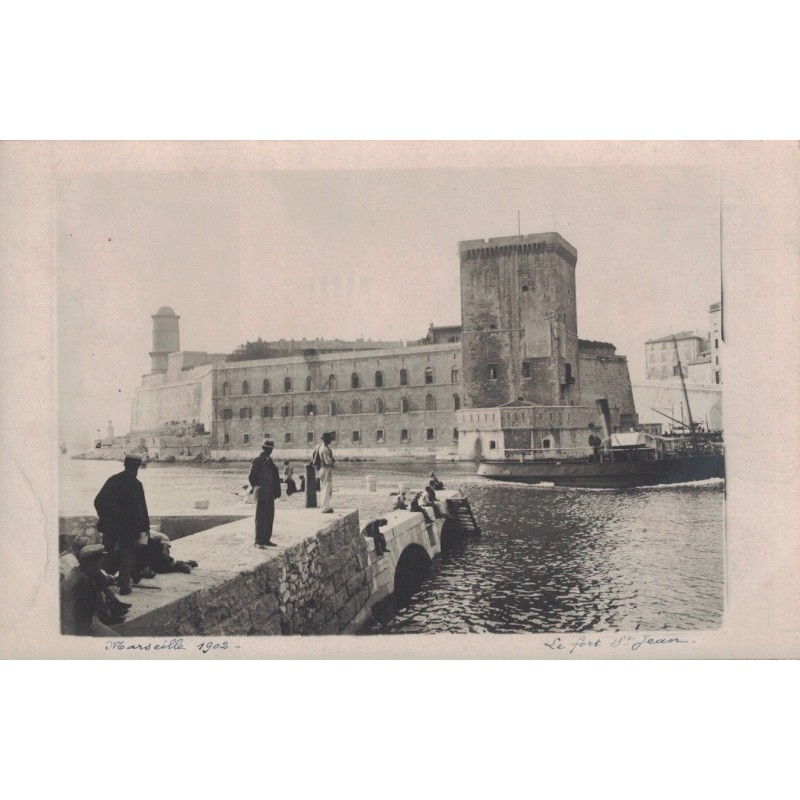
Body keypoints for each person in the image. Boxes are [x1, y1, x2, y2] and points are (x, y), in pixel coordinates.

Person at [94, 453, 151, 596]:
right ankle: (124, 586)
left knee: (106, 554)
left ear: (125, 464)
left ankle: (103, 585)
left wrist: (105, 518)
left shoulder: (113, 480)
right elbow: (142, 509)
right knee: (127, 555)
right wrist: (145, 528)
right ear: (137, 467)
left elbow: (98, 501)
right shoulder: (136, 485)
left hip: (111, 527)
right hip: (129, 528)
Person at [61, 544, 118, 636]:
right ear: (88, 563)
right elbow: (78, 619)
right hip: (74, 627)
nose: (100, 568)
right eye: (99, 564)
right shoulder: (82, 581)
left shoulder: (79, 573)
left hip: (81, 620)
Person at [249, 437, 281, 548]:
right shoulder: (257, 460)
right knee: (260, 516)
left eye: (271, 449)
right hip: (262, 492)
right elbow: (251, 477)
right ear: (263, 448)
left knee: (269, 516)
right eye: (268, 449)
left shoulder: (269, 460)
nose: (270, 451)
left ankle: (266, 539)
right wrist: (258, 487)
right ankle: (258, 541)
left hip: (270, 493)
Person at [315, 432, 335, 513]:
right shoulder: (325, 449)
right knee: (327, 489)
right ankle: (325, 508)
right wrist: (332, 460)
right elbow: (328, 461)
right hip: (326, 469)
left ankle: (325, 506)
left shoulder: (321, 447)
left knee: (324, 488)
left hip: (323, 470)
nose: (330, 441)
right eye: (329, 440)